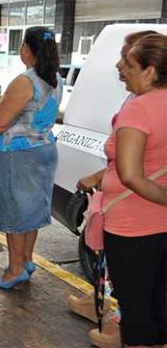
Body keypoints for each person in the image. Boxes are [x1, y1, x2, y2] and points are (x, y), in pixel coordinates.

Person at [69, 30, 158, 348]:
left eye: (128, 61)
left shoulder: (140, 107)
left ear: (149, 69)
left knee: (137, 311)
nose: (120, 66)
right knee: (155, 309)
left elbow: (132, 174)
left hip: (134, 222)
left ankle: (114, 326)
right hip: (154, 223)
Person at [0, 26, 62, 289]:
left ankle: (15, 268)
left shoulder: (25, 81)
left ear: (27, 50)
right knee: (32, 209)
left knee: (15, 211)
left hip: (20, 154)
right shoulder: (56, 79)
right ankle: (27, 260)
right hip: (45, 150)